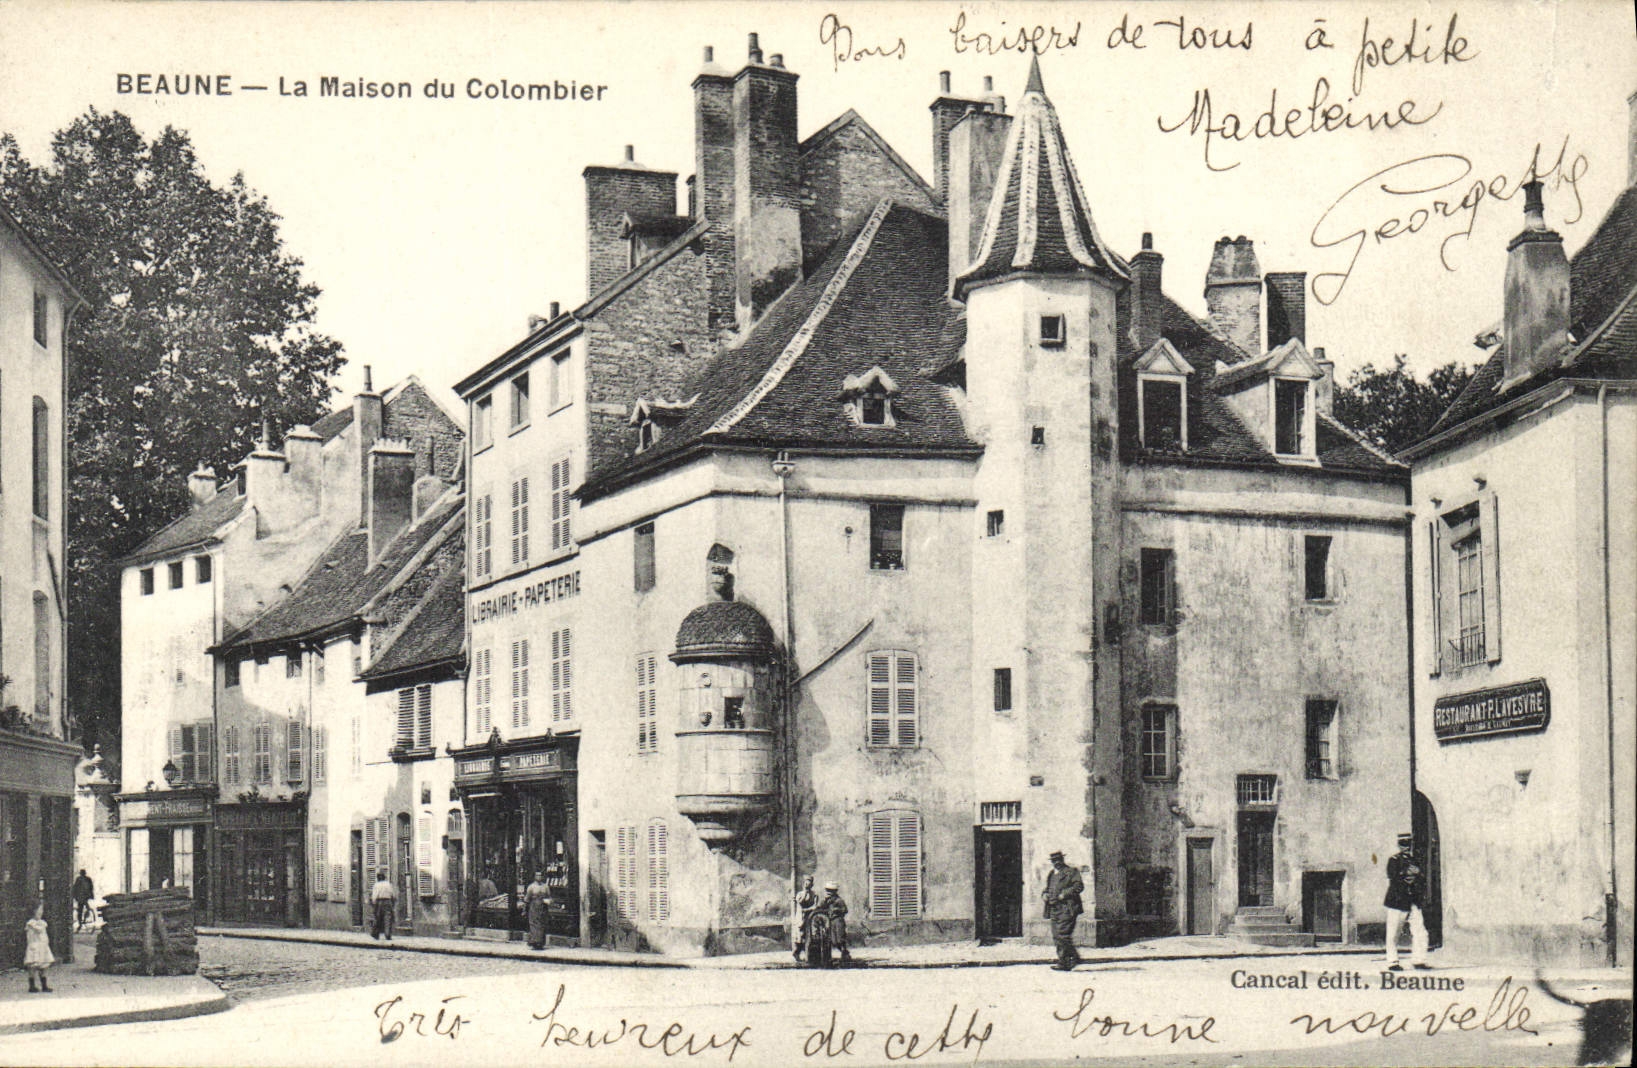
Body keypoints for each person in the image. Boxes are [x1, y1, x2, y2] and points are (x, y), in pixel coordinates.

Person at [1383, 832, 1429, 970]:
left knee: (1420, 932)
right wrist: (1407, 873)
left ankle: (1418, 960)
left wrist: (1418, 873)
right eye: (1403, 844)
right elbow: (1393, 876)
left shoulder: (1415, 860)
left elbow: (1422, 879)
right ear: (1399, 845)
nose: (1406, 847)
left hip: (1413, 901)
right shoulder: (1394, 860)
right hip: (1397, 901)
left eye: (1408, 844)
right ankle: (1392, 962)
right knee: (1393, 933)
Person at [1043, 850, 1084, 971]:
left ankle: (1067, 960)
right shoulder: (1052, 874)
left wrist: (1064, 894)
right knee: (1057, 936)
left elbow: (1079, 886)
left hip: (1067, 908)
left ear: (1062, 860)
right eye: (1054, 861)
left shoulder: (1071, 872)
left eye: (1058, 860)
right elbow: (1047, 888)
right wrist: (1044, 894)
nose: (1056, 863)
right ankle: (1067, 960)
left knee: (1063, 934)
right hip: (1054, 908)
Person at [24, 901, 53, 993]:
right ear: (33, 911)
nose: (41, 912)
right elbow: (37, 931)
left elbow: (44, 934)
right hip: (35, 946)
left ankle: (44, 985)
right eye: (39, 910)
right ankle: (32, 985)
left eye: (42, 910)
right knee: (33, 966)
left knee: (44, 966)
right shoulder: (31, 923)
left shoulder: (42, 922)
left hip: (43, 946)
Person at [817, 882, 850, 963]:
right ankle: (844, 952)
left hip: (838, 920)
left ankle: (844, 954)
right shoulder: (827, 901)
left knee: (840, 939)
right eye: (827, 890)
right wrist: (824, 901)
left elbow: (845, 910)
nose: (829, 892)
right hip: (831, 921)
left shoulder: (839, 900)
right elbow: (820, 907)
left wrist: (837, 909)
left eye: (831, 890)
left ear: (835, 891)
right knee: (834, 940)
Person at [792, 875, 818, 960]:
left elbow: (815, 906)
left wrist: (808, 909)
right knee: (800, 934)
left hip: (810, 916)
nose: (807, 885)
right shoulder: (800, 894)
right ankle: (796, 952)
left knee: (809, 935)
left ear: (812, 885)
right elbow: (800, 903)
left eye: (809, 883)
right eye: (806, 883)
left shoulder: (814, 894)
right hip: (801, 917)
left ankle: (808, 954)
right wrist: (805, 893)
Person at [525, 870, 552, 950]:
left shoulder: (545, 887)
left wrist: (548, 901)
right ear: (535, 877)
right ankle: (534, 943)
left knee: (541, 924)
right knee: (534, 924)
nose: (539, 877)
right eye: (537, 875)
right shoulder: (531, 887)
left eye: (540, 875)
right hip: (534, 907)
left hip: (543, 907)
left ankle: (540, 943)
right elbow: (527, 898)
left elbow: (549, 896)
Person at [369, 868, 399, 940]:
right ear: (384, 877)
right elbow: (393, 894)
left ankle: (375, 934)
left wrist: (374, 903)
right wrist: (393, 902)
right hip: (387, 901)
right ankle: (387, 934)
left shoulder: (376, 885)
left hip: (379, 902)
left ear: (378, 878)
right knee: (388, 918)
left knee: (377, 918)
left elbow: (374, 895)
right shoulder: (388, 884)